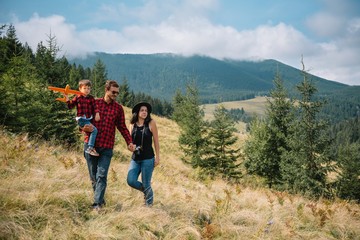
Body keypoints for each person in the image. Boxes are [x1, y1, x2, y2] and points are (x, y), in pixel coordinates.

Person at [83, 80, 135, 211]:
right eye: (113, 92)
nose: (115, 95)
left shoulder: (118, 109)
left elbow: (122, 127)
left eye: (117, 93)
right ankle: (100, 199)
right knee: (93, 176)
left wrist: (129, 141)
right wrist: (84, 128)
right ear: (106, 90)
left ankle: (97, 204)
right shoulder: (94, 103)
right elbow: (83, 121)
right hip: (91, 146)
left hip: (106, 147)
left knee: (102, 175)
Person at [127, 102, 160, 206]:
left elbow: (156, 141)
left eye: (146, 110)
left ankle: (148, 206)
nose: (144, 112)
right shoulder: (132, 124)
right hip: (135, 158)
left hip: (148, 159)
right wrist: (130, 147)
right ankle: (146, 191)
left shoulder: (151, 123)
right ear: (137, 112)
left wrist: (157, 157)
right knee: (131, 180)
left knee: (146, 183)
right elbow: (129, 142)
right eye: (142, 110)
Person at [65, 79, 100, 156]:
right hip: (81, 119)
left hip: (88, 118)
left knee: (91, 131)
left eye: (88, 88)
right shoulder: (77, 97)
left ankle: (90, 146)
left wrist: (97, 113)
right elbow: (70, 106)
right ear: (80, 89)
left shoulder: (91, 98)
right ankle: (90, 148)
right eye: (84, 88)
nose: (87, 90)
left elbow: (95, 106)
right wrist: (67, 98)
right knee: (94, 130)